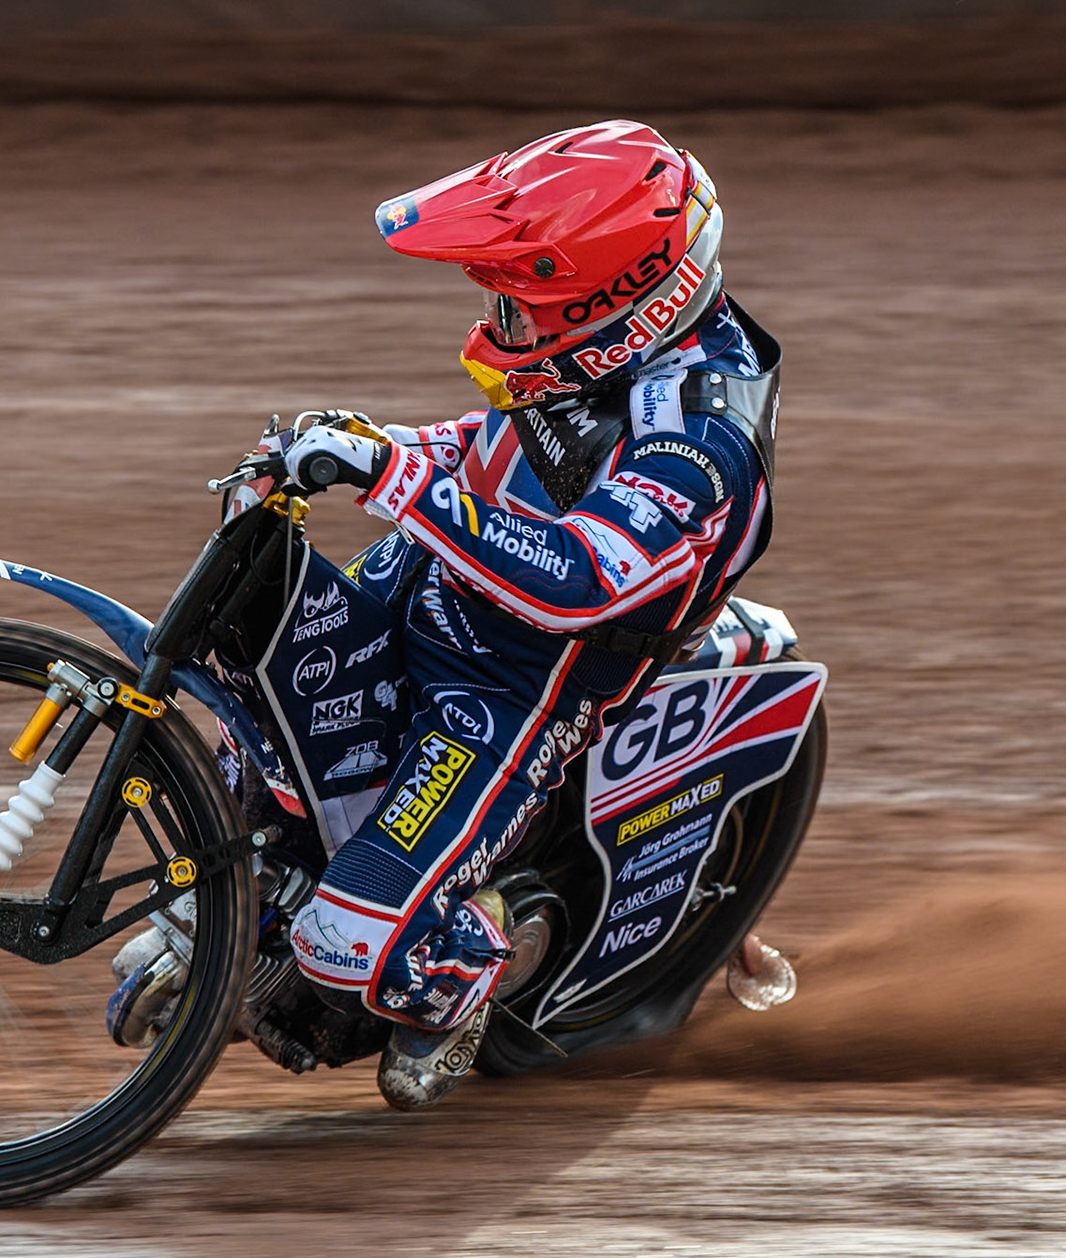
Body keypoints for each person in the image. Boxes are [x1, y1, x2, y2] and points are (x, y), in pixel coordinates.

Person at [276, 119, 782, 1110]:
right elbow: (502, 438)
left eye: (521, 299)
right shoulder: (605, 359)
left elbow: (580, 580)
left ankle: (465, 969)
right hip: (426, 582)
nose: (502, 318)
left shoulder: (700, 438)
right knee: (256, 733)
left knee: (343, 940)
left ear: (617, 301)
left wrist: (397, 480)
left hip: (513, 686)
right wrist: (375, 446)